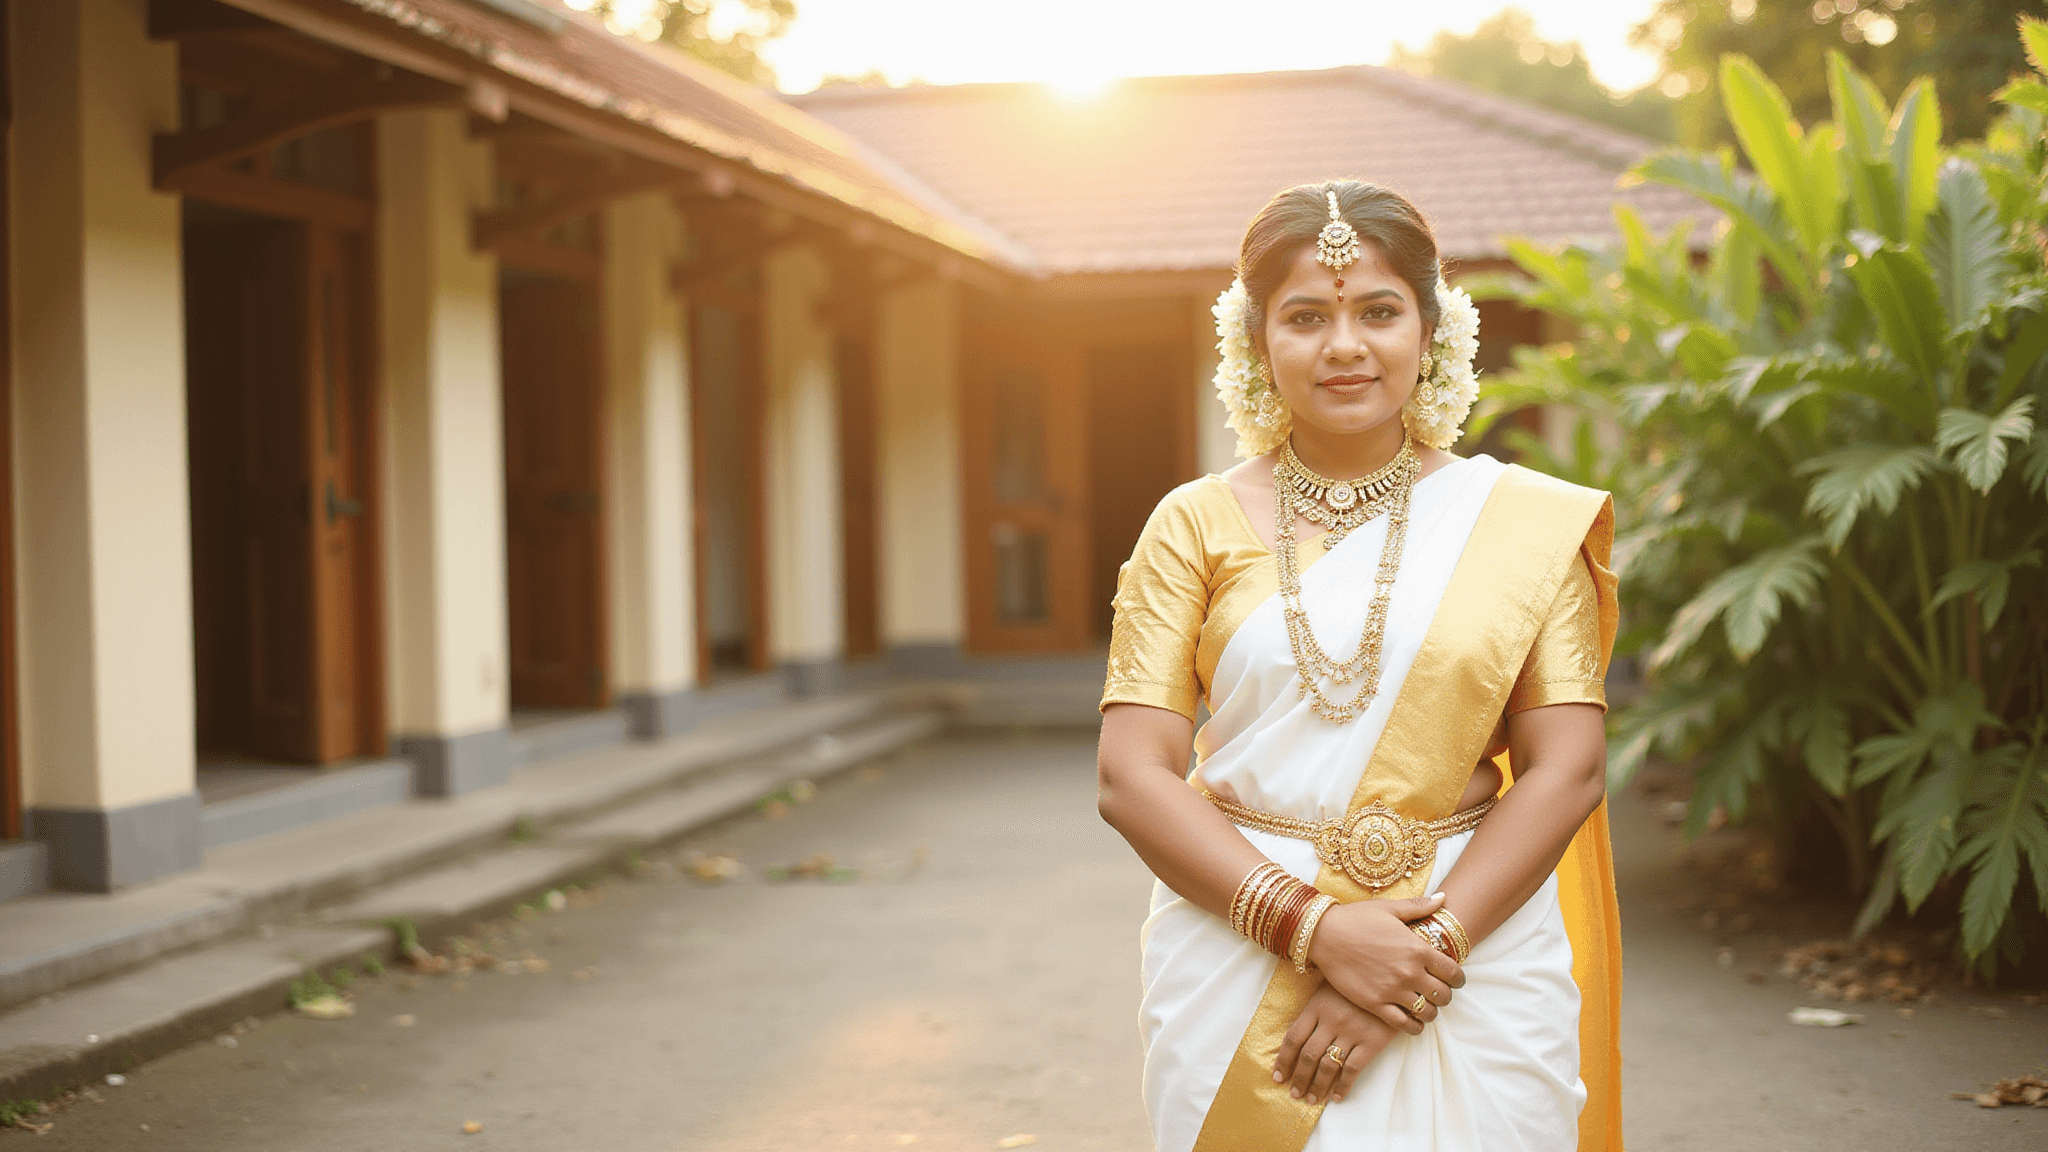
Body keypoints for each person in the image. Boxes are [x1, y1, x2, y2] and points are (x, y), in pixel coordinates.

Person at [1096, 179, 1624, 1152]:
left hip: (1470, 941)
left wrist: (1418, 959)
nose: (1343, 345)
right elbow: (1130, 775)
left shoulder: (1515, 526)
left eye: (1377, 311)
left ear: (1430, 331)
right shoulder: (1192, 525)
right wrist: (1316, 932)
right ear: (1256, 343)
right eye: (1305, 316)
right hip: (1237, 942)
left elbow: (1567, 768)